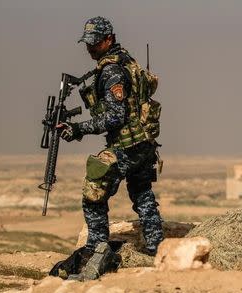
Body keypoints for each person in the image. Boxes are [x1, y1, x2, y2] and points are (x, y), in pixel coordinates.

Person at [58, 16, 164, 257]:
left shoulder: (111, 71)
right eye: (87, 43)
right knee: (143, 196)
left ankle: (95, 249)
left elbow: (115, 117)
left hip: (127, 145)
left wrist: (78, 129)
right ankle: (157, 249)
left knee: (93, 192)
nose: (89, 48)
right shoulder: (126, 61)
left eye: (94, 43)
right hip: (144, 143)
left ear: (108, 39)